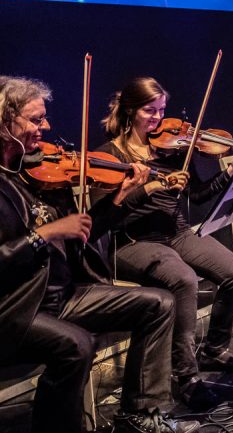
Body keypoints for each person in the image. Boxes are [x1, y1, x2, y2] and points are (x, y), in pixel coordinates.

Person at [0, 76, 193, 432]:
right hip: (18, 307)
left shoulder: (35, 172)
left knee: (160, 304)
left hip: (64, 293)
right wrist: (44, 234)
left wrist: (120, 200)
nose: (47, 126)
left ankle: (140, 414)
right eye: (35, 119)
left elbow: (86, 236)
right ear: (5, 121)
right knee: (77, 344)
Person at [97, 77, 233, 409]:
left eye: (161, 111)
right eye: (149, 111)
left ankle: (213, 349)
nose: (157, 119)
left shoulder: (172, 150)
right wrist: (149, 188)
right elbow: (105, 214)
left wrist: (231, 173)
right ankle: (186, 377)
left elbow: (198, 194)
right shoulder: (109, 154)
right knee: (183, 279)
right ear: (130, 111)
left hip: (176, 233)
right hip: (133, 241)